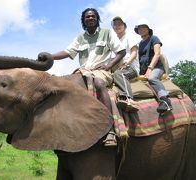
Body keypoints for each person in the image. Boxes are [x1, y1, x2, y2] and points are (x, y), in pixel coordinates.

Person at [46, 8, 126, 146]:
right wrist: (50, 56)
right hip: (83, 71)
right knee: (65, 88)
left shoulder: (107, 33)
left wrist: (108, 66)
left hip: (101, 71)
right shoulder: (80, 38)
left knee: (99, 84)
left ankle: (110, 129)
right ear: (83, 20)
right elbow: (67, 52)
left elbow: (122, 51)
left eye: (93, 16)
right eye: (87, 17)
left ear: (97, 18)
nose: (90, 18)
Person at [134, 18, 173, 114]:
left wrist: (150, 68)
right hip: (142, 70)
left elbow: (157, 53)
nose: (141, 29)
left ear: (148, 29)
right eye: (139, 28)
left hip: (156, 68)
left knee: (152, 78)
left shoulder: (154, 38)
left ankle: (166, 101)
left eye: (143, 27)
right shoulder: (139, 44)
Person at [111, 16, 140, 112]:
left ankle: (129, 99)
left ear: (124, 26)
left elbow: (134, 53)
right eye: (115, 24)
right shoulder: (114, 41)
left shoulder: (129, 36)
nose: (117, 26)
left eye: (120, 24)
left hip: (131, 67)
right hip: (119, 67)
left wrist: (126, 64)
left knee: (119, 74)